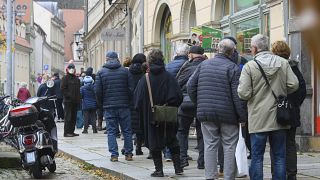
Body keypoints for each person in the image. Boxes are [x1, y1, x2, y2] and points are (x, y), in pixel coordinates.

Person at [237, 34, 299, 180]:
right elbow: (294, 84)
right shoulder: (282, 63)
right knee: (279, 156)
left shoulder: (250, 66)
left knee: (257, 156)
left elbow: (244, 93)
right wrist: (282, 92)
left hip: (258, 118)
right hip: (279, 117)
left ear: (254, 48)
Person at [187, 39, 247, 180]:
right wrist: (242, 116)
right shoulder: (232, 68)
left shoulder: (203, 65)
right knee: (229, 145)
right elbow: (236, 96)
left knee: (210, 145)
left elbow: (190, 86)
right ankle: (228, 177)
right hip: (228, 115)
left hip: (206, 113)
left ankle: (210, 177)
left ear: (218, 49)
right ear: (232, 51)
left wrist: (200, 103)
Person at [134, 49, 183, 177]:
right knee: (172, 140)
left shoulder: (145, 79)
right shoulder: (169, 77)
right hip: (168, 115)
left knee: (154, 142)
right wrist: (168, 105)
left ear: (149, 62)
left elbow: (137, 101)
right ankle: (178, 168)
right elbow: (178, 97)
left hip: (151, 116)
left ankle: (159, 170)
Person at [271, 40, 306, 180]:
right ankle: (291, 174)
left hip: (275, 111)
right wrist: (293, 103)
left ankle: (277, 174)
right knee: (290, 144)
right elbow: (302, 90)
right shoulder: (294, 67)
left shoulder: (273, 67)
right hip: (291, 112)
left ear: (274, 52)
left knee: (276, 145)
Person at [95, 50, 134, 162]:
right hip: (124, 105)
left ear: (106, 59)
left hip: (109, 106)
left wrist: (101, 104)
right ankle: (129, 153)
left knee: (111, 131)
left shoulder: (101, 72)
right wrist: (128, 101)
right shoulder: (125, 71)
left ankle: (114, 155)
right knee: (126, 130)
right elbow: (131, 89)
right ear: (117, 58)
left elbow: (97, 91)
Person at [176, 45, 206, 169]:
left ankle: (183, 159)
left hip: (186, 103)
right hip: (202, 103)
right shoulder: (207, 66)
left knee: (182, 131)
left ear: (192, 55)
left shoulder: (187, 66)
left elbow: (177, 82)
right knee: (202, 133)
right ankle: (202, 161)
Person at [163, 43, 189, 162]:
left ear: (176, 53)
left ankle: (169, 153)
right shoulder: (189, 65)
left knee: (171, 127)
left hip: (170, 100)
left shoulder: (168, 66)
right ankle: (182, 152)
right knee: (183, 129)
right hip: (185, 99)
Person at [128, 53, 146, 155]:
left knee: (129, 126)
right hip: (141, 102)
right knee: (140, 126)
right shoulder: (144, 72)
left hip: (130, 101)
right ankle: (138, 148)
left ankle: (128, 146)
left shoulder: (128, 71)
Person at [61, 63, 81, 137]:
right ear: (67, 69)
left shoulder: (77, 79)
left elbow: (78, 90)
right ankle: (66, 132)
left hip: (75, 102)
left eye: (73, 68)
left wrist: (79, 99)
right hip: (68, 101)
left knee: (73, 117)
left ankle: (72, 131)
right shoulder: (65, 78)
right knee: (68, 117)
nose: (71, 69)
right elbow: (63, 89)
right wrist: (69, 96)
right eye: (70, 68)